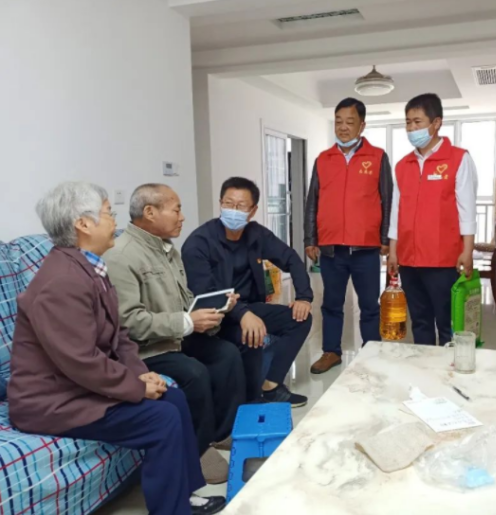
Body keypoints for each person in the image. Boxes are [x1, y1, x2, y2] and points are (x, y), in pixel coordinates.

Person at [8, 182, 225, 515]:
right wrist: (135, 387)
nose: (115, 221)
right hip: (52, 401)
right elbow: (81, 361)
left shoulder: (90, 267)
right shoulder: (60, 283)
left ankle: (185, 494)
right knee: (161, 417)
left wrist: (142, 374)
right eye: (108, 213)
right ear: (84, 224)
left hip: (77, 386)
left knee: (173, 397)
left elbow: (119, 335)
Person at [104, 184, 246, 485]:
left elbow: (185, 300)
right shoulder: (121, 256)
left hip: (175, 335)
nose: (182, 217)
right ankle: (198, 449)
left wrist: (214, 310)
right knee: (193, 372)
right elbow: (128, 322)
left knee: (226, 354)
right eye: (176, 209)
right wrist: (187, 322)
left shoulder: (167, 249)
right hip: (146, 348)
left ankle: (222, 431)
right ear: (150, 212)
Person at [182, 177, 313, 408]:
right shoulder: (199, 242)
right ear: (220, 203)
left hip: (249, 307)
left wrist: (303, 297)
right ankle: (251, 400)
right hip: (215, 316)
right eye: (228, 203)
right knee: (250, 335)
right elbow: (206, 292)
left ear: (252, 210)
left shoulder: (256, 234)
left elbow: (291, 258)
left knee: (300, 319)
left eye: (241, 206)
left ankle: (270, 386)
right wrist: (242, 314)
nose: (233, 210)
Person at [305, 97, 393, 374]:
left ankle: (372, 352)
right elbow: (312, 200)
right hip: (331, 247)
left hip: (365, 247)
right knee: (331, 303)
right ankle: (331, 352)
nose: (343, 127)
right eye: (339, 122)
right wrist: (310, 238)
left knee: (369, 305)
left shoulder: (377, 157)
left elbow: (388, 199)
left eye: (350, 122)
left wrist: (386, 238)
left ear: (362, 125)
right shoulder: (323, 159)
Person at [387, 93, 478, 345]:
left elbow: (467, 209)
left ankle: (450, 367)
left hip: (443, 260)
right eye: (408, 122)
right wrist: (393, 250)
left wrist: (467, 251)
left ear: (436, 123)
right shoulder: (403, 165)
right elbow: (396, 210)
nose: (411, 128)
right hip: (409, 259)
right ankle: (424, 365)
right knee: (420, 321)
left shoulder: (458, 159)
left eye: (417, 122)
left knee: (448, 323)